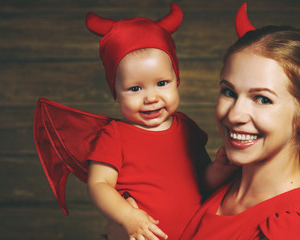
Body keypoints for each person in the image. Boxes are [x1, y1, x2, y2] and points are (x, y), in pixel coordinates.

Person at [33, 4, 236, 240]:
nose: (151, 97)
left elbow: (200, 180)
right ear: (116, 93)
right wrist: (128, 217)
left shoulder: (187, 128)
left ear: (176, 80)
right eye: (135, 88)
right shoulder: (115, 135)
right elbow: (99, 185)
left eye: (162, 83)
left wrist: (219, 169)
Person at [179, 3, 300, 240]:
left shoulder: (291, 229)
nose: (235, 115)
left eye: (263, 99)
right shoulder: (220, 181)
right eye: (229, 92)